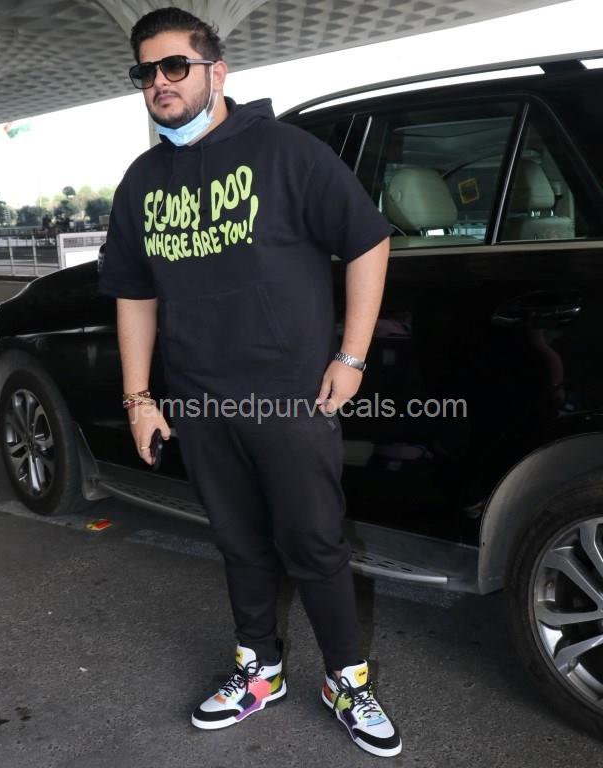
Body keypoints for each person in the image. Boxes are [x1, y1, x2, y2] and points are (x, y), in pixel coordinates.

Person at [98, 7, 401, 759]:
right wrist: (139, 398)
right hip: (198, 400)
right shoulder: (142, 181)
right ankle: (258, 669)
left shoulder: (284, 152)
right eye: (147, 72)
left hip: (288, 395)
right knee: (237, 542)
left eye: (176, 66)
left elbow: (368, 241)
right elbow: (134, 294)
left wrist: (351, 357)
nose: (161, 82)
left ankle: (347, 679)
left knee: (315, 543)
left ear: (217, 71)